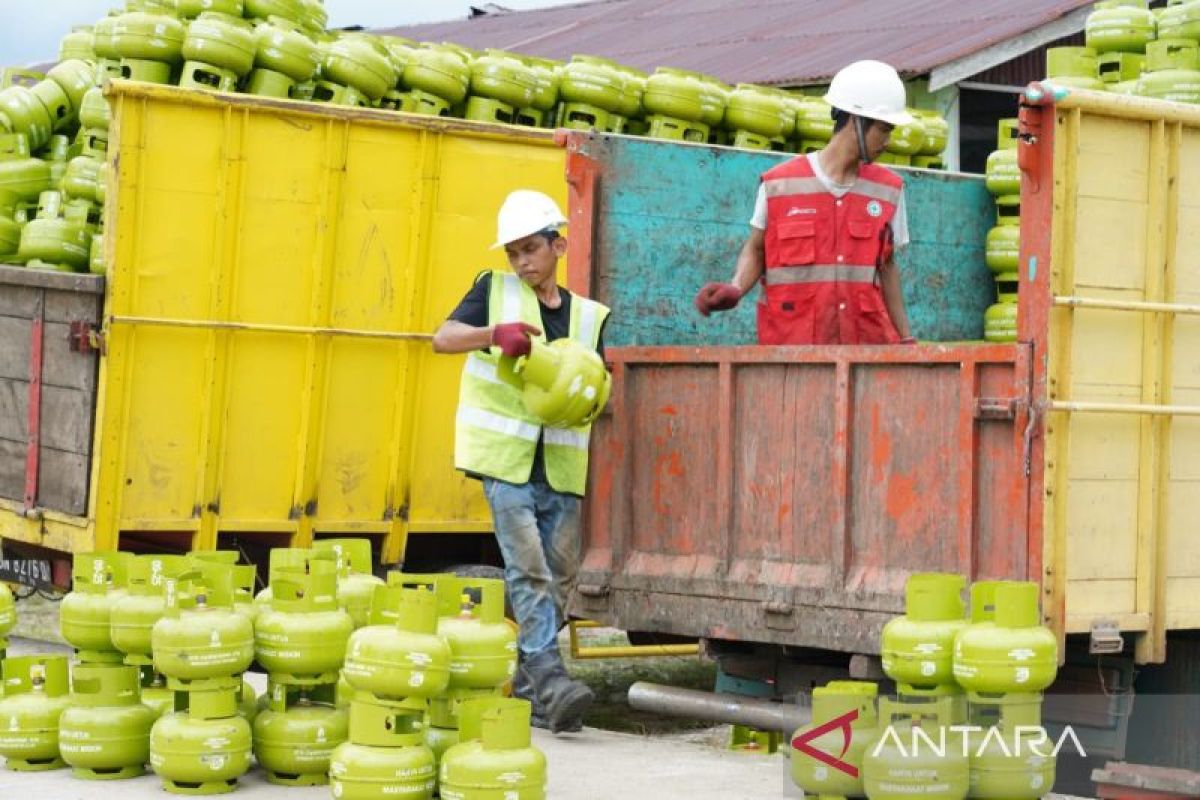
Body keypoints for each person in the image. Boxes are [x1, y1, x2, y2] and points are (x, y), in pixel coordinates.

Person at [432, 189, 610, 734]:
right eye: (512, 252)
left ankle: (534, 691)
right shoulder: (494, 293)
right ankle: (551, 678)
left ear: (558, 244)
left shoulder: (587, 316)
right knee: (527, 569)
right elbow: (442, 339)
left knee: (560, 577)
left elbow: (594, 384)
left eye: (530, 249)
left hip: (559, 467)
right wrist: (492, 334)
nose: (521, 262)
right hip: (506, 464)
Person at [694, 59, 916, 345]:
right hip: (792, 353)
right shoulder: (779, 185)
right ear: (856, 121)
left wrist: (906, 339)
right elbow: (757, 250)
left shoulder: (889, 190)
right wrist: (736, 287)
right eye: (884, 129)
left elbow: (887, 268)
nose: (888, 140)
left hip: (865, 351)